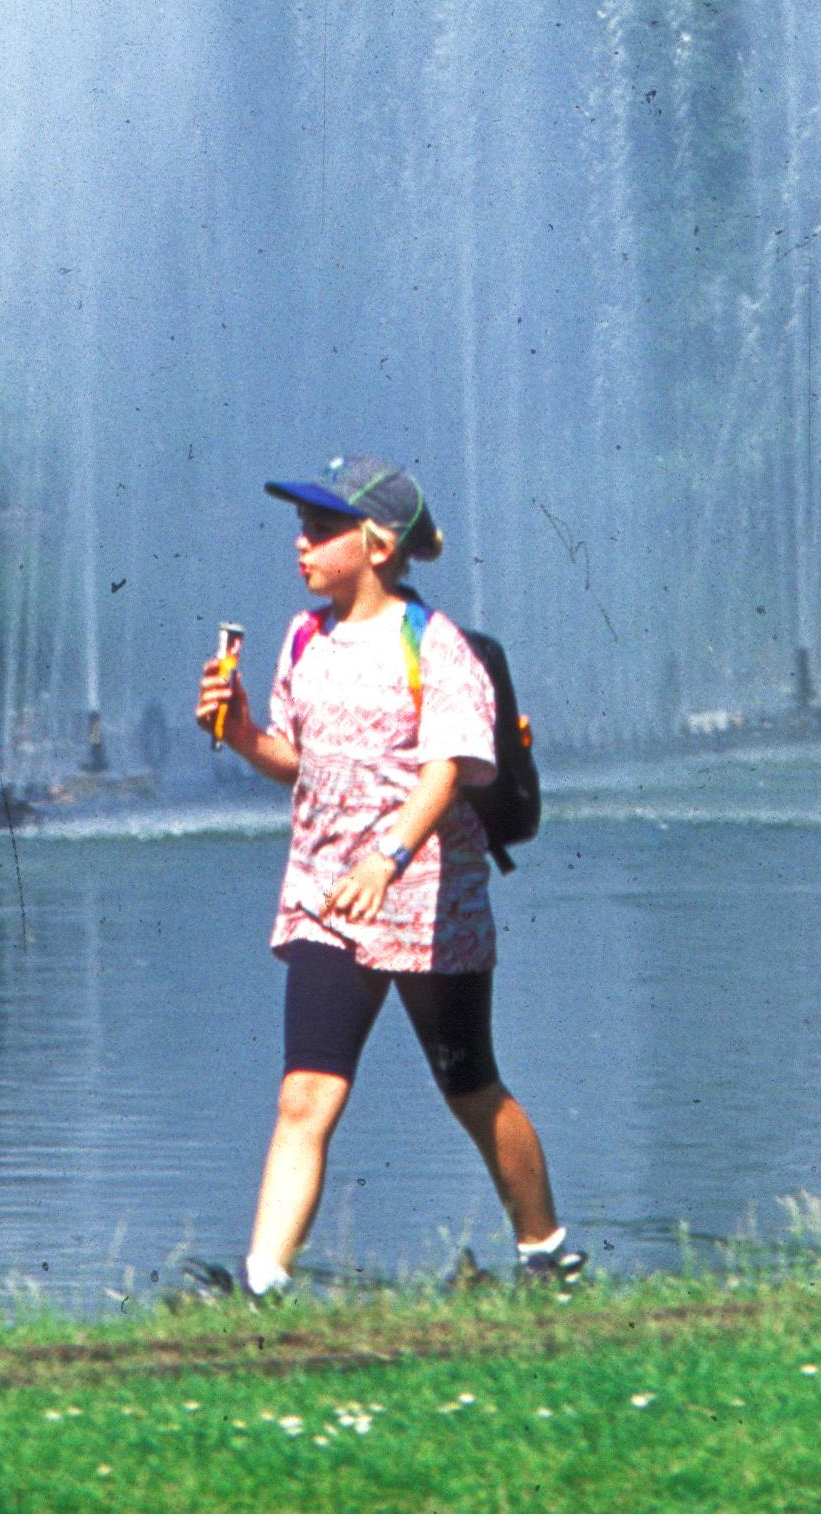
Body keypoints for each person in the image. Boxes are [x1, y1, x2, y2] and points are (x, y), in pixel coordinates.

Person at [190, 454, 580, 1292]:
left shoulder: (433, 646)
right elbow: (301, 764)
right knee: (305, 1093)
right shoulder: (303, 637)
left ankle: (545, 1252)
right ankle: (263, 1286)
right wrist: (241, 731)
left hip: (426, 904)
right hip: (325, 899)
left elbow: (448, 769)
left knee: (470, 1087)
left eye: (321, 529)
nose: (301, 543)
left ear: (374, 543)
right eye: (302, 527)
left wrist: (388, 857)